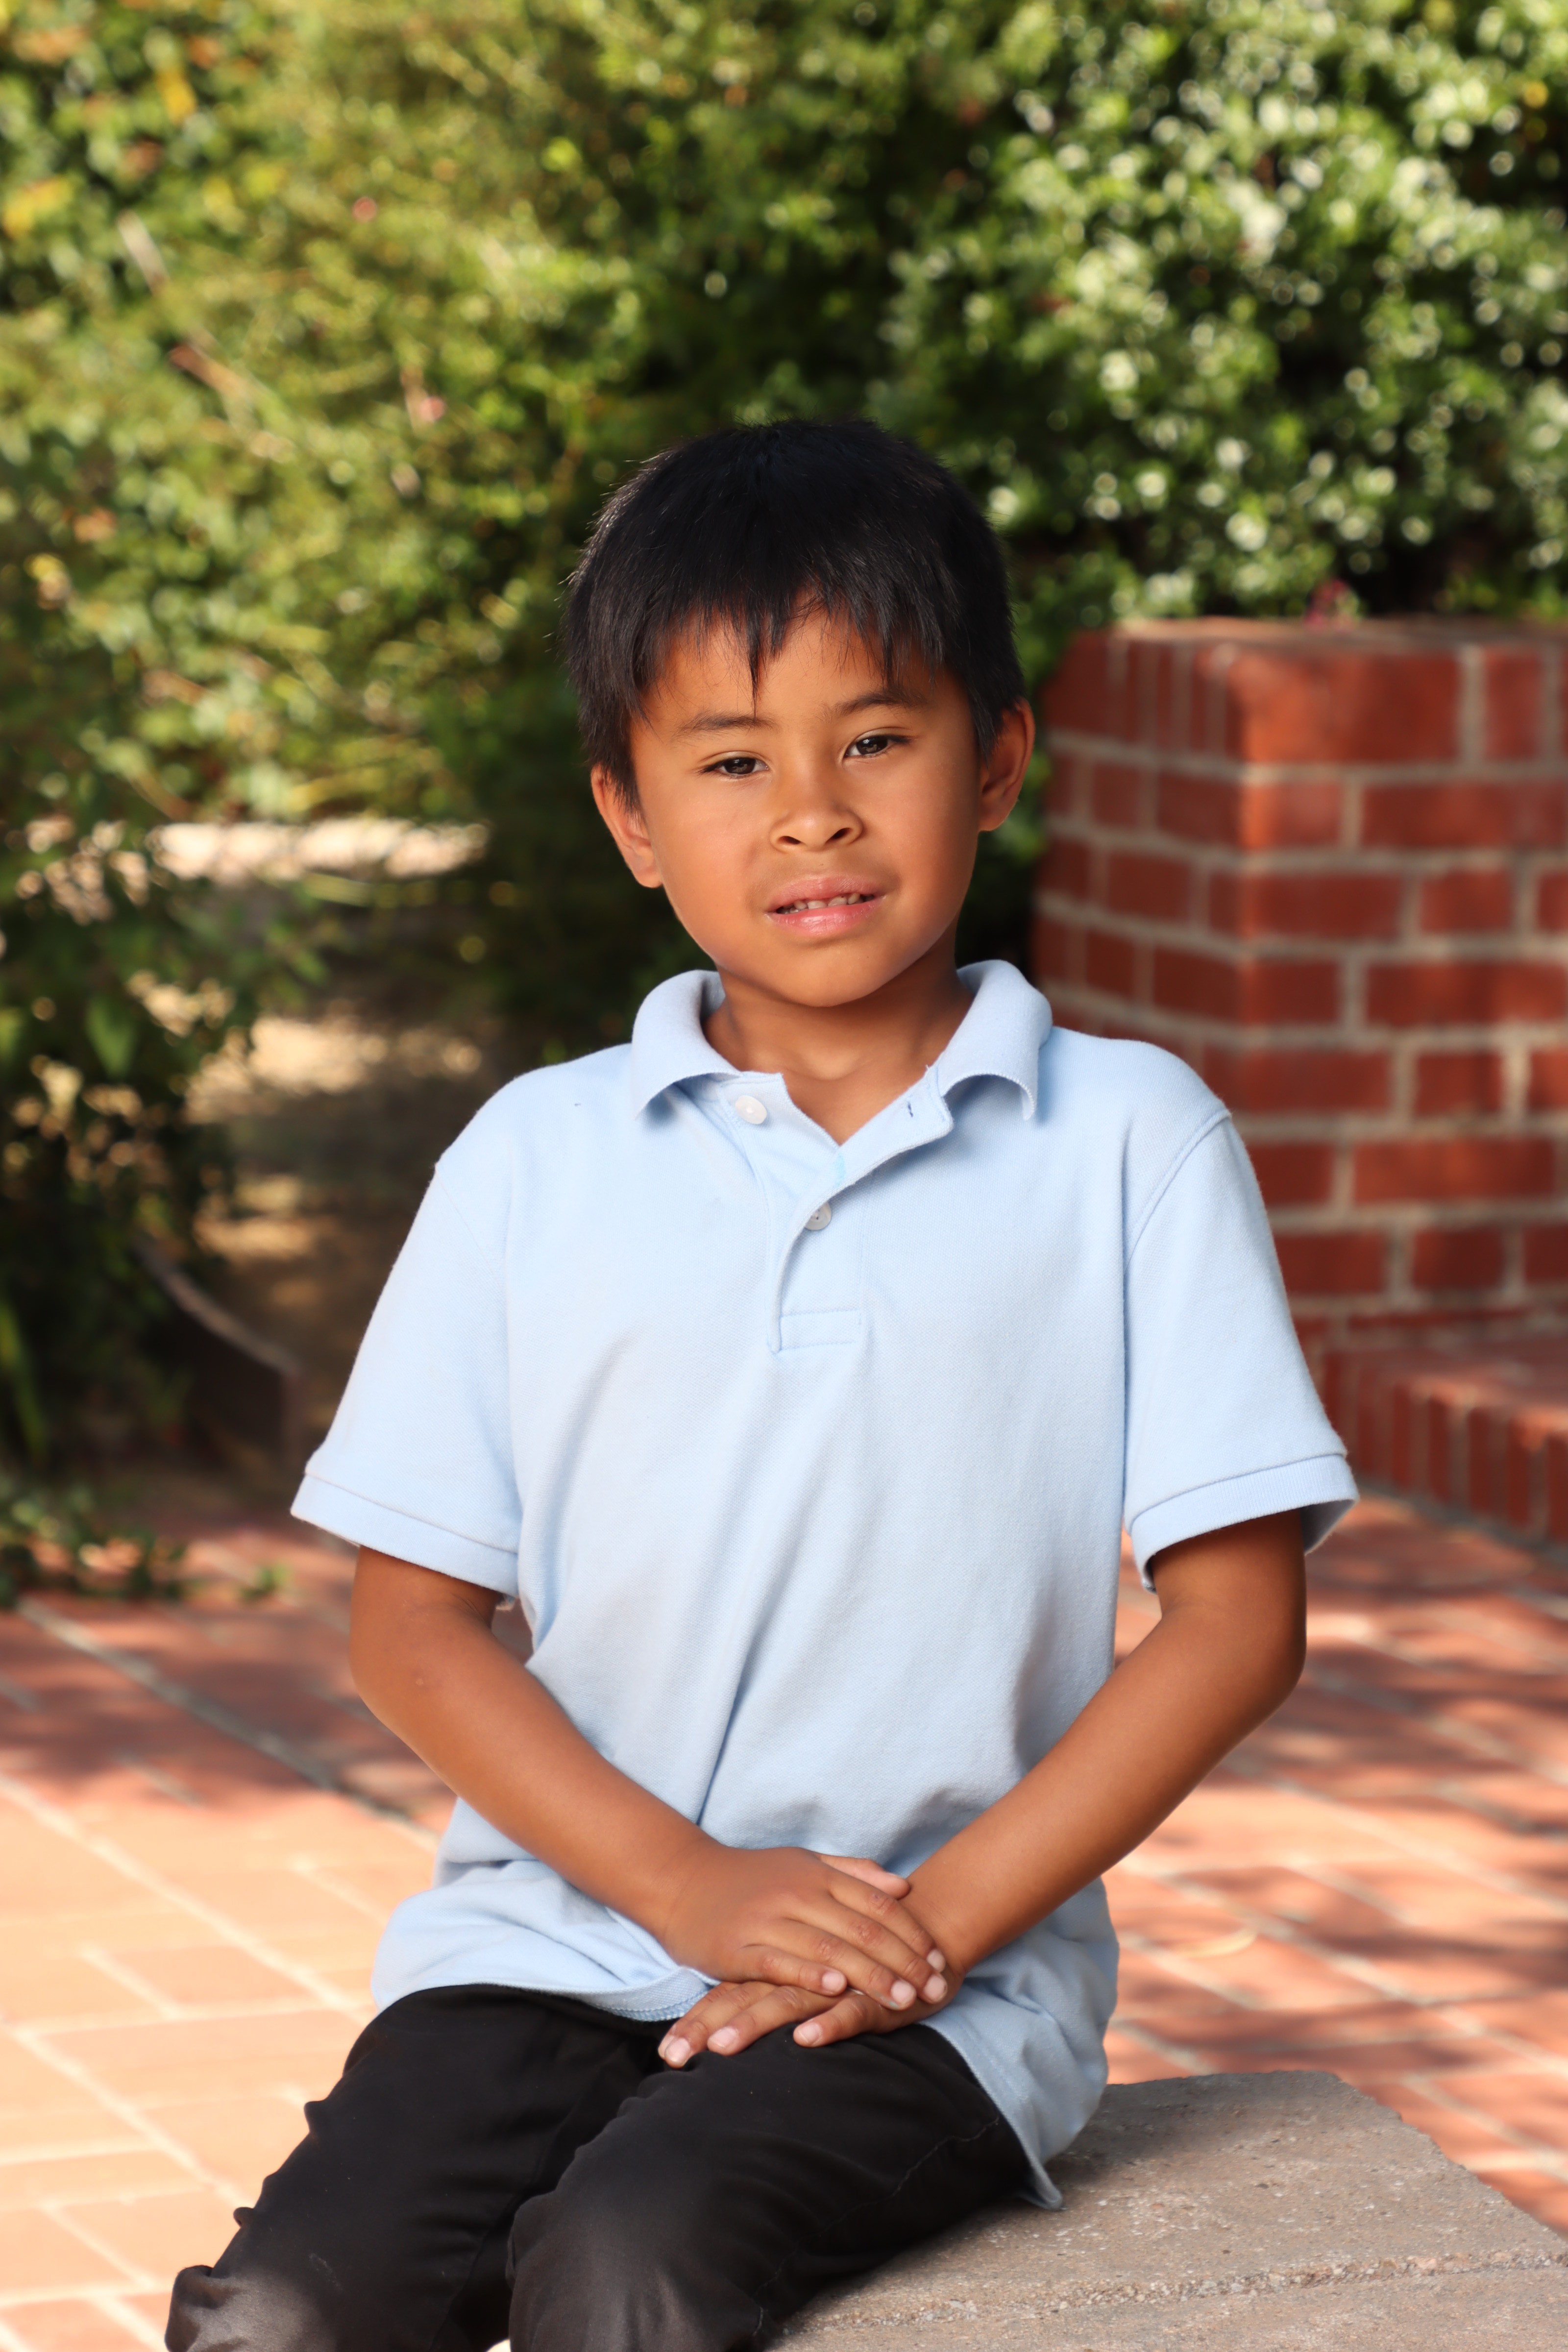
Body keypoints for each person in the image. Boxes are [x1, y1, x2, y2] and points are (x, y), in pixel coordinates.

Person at [167, 420, 1356, 2352]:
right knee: (286, 2314)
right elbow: (410, 1625)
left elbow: (1236, 1624)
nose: (810, 815)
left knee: (627, 2263)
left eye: (872, 741)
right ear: (631, 818)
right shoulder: (535, 1159)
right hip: (551, 1938)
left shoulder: (1129, 1142)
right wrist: (692, 1891)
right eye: (731, 763)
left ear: (998, 760)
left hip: (943, 1986)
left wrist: (920, 1932)